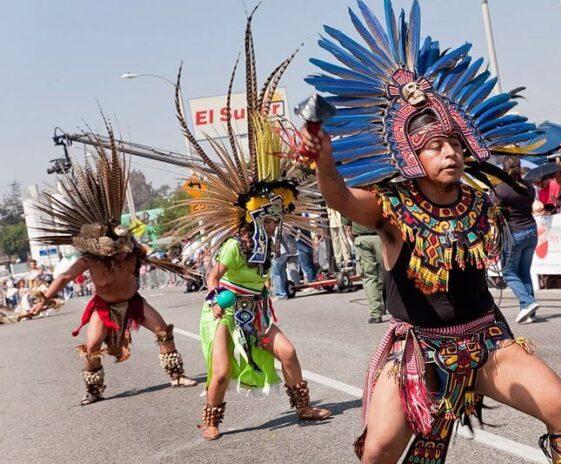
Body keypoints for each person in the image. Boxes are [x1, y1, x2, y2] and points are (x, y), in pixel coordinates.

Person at [302, 2, 561, 462]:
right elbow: (340, 196)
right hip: (417, 350)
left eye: (456, 144)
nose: (451, 154)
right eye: (436, 146)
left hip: (485, 341)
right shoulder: (391, 209)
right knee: (378, 450)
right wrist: (323, 159)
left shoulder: (480, 201)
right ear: (409, 156)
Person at [172, 10, 331, 441]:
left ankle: (303, 407)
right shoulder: (234, 247)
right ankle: (211, 418)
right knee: (220, 372)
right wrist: (216, 294)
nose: (275, 221)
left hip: (258, 308)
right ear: (250, 218)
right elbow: (214, 275)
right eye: (267, 215)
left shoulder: (269, 240)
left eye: (277, 215)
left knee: (288, 351)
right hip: (223, 310)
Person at [27, 122, 198, 405]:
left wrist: (180, 267)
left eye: (123, 250)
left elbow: (158, 258)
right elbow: (65, 278)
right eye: (116, 252)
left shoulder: (133, 251)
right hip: (104, 307)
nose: (121, 255)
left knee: (162, 329)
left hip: (133, 301)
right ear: (103, 252)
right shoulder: (89, 259)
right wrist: (44, 299)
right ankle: (94, 390)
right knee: (92, 345)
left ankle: (176, 375)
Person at [494, 157, 539, 323]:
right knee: (524, 272)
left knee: (509, 273)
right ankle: (529, 311)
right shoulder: (529, 187)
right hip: (531, 230)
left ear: (503, 170)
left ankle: (528, 303)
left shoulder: (501, 189)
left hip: (514, 233)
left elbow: (495, 213)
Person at [347, 220, 384, 323]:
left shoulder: (350, 203)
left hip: (361, 239)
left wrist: (354, 240)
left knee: (369, 277)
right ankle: (388, 307)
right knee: (387, 273)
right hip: (381, 236)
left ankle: (376, 314)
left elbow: (348, 228)